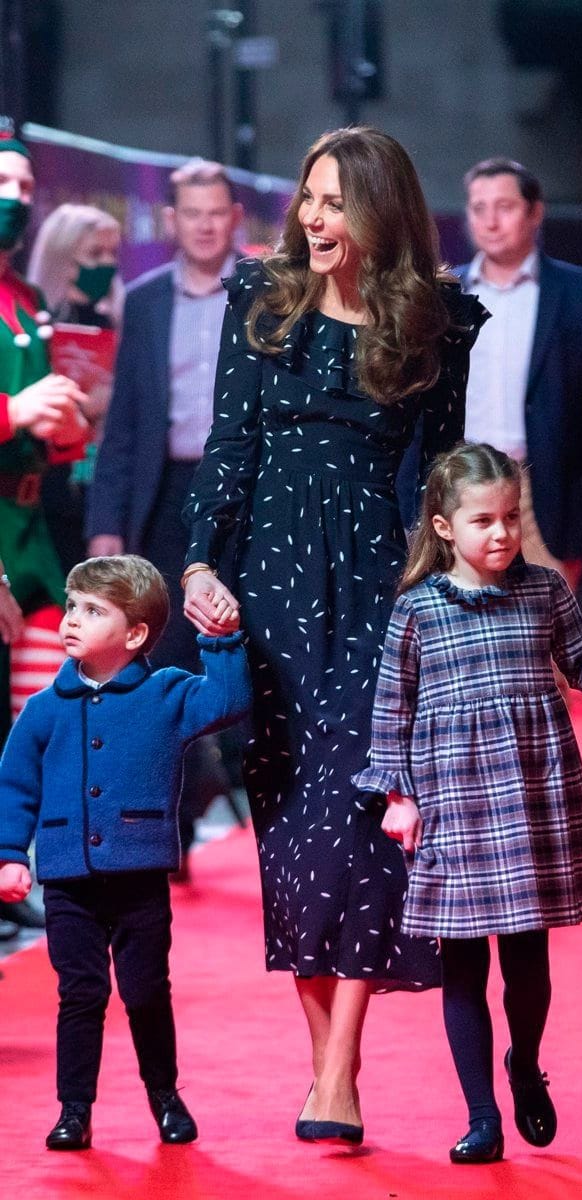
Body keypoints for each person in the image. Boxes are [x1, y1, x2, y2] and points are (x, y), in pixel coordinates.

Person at [180, 126, 487, 1143]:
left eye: (335, 202)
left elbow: (442, 474)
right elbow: (228, 446)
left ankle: (341, 1068)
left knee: (357, 816)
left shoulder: (433, 326)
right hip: (268, 585)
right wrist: (197, 565)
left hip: (375, 588)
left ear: (379, 214)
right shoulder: (261, 310)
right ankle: (327, 1070)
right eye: (308, 199)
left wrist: (455, 593)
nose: (315, 219)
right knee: (287, 822)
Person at [352, 442, 582, 1163]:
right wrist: (397, 796)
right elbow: (392, 711)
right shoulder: (417, 610)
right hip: (453, 802)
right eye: (484, 520)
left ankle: (525, 1059)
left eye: (512, 517)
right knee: (462, 966)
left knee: (527, 960)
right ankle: (481, 1115)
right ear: (444, 528)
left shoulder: (545, 589)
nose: (502, 533)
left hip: (530, 794)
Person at [0, 554, 251, 1151]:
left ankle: (164, 1095)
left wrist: (222, 639)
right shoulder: (42, 710)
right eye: (71, 607)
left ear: (135, 634)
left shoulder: (167, 693)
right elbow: (14, 785)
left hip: (138, 877)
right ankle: (74, 1109)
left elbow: (228, 701)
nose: (70, 621)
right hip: (67, 880)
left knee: (144, 991)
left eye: (92, 611)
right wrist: (10, 852)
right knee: (80, 993)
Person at [85, 158, 245, 881]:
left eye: (218, 211)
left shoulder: (267, 295)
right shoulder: (146, 302)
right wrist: (106, 528)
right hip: (165, 499)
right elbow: (122, 426)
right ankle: (172, 831)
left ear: (234, 218)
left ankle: (271, 808)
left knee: (257, 650)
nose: (206, 224)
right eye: (193, 212)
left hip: (250, 493)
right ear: (172, 221)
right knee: (163, 668)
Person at [401, 157, 582, 591]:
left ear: (534, 212)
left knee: (547, 644)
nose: (490, 220)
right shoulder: (443, 297)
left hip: (543, 493)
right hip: (457, 482)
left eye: (504, 206)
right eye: (478, 207)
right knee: (460, 641)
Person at [0, 119, 90, 738]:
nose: (16, 196)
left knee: (42, 726)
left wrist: (69, 429)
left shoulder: (26, 296)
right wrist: (12, 413)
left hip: (31, 529)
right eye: (2, 181)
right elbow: (19, 410)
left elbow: (54, 437)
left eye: (26, 184)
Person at [26, 202, 125, 575]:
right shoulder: (33, 328)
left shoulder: (119, 322)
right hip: (46, 497)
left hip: (103, 493)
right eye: (95, 254)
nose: (107, 265)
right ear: (64, 259)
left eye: (112, 253)